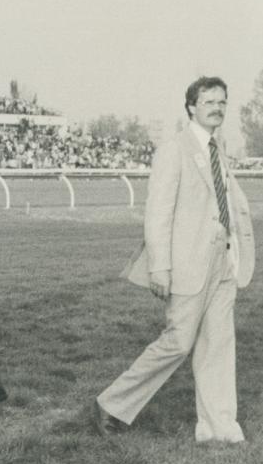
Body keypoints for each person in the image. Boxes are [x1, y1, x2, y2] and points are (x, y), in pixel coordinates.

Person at [93, 77, 254, 442]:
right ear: (191, 107)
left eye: (222, 101)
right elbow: (158, 214)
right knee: (178, 342)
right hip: (187, 265)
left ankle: (219, 428)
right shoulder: (174, 150)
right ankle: (112, 404)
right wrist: (160, 266)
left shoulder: (219, 148)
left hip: (223, 261)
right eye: (209, 100)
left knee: (218, 344)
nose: (217, 106)